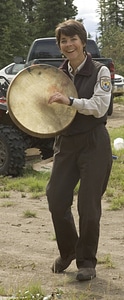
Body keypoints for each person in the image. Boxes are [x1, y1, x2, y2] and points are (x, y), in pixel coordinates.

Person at [46, 19, 113, 281]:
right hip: (66, 142)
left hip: (94, 142)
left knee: (88, 205)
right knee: (56, 199)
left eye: (73, 39)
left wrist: (70, 101)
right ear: (60, 46)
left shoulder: (101, 71)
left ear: (83, 42)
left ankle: (87, 261)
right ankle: (69, 250)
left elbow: (99, 106)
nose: (69, 44)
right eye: (64, 40)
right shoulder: (57, 75)